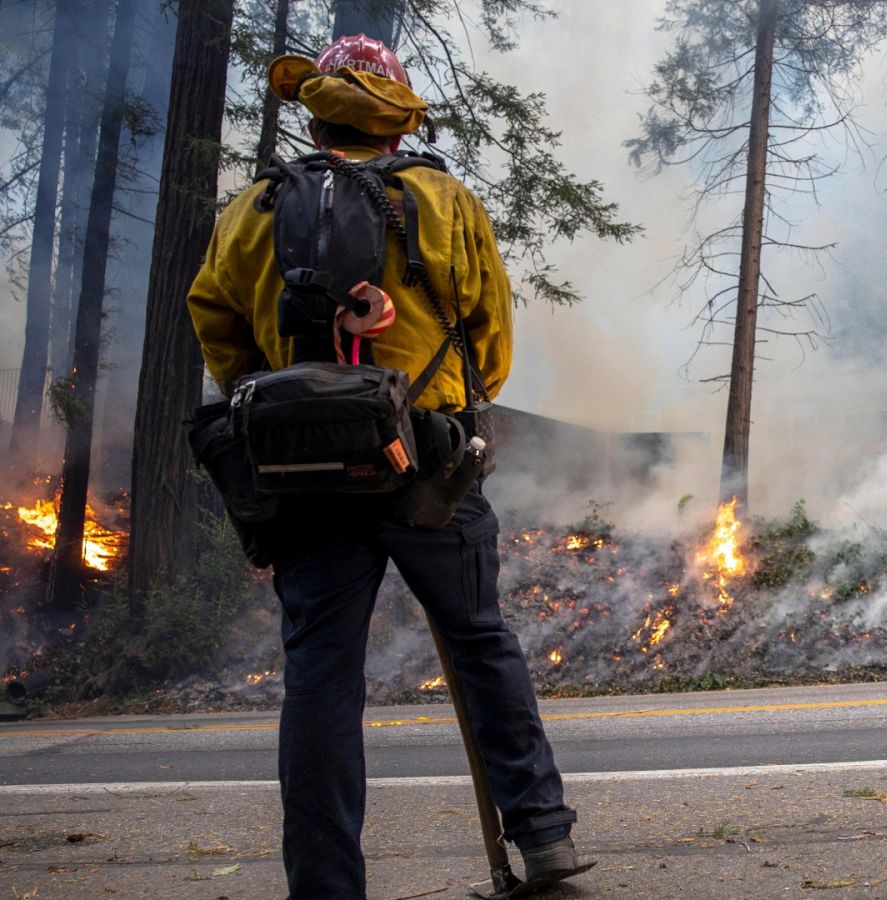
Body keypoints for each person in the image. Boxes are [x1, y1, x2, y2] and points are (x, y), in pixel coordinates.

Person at [187, 36, 587, 897]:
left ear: (320, 110)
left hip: (302, 484)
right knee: (479, 640)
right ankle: (544, 838)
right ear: (395, 123)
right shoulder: (443, 200)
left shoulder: (254, 208)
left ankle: (326, 885)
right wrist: (431, 402)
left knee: (323, 678)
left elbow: (216, 328)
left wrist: (293, 399)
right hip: (429, 468)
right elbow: (491, 340)